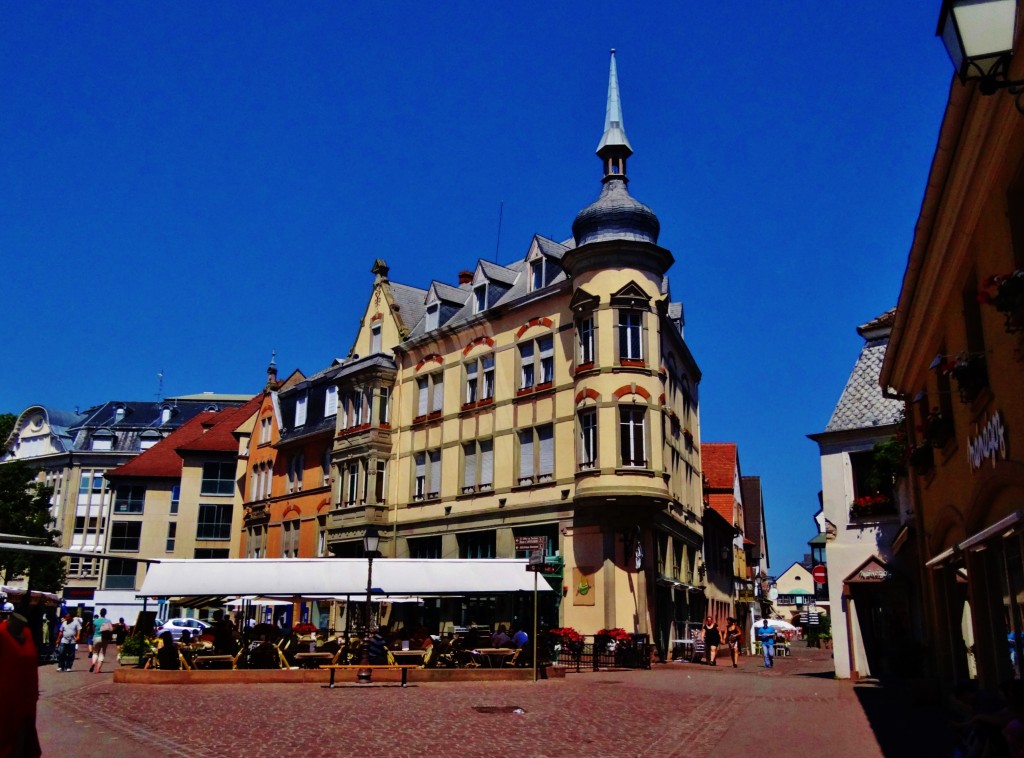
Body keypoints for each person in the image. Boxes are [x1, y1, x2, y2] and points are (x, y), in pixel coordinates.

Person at [0, 613, 41, 756]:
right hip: (5, 699)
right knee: (6, 739)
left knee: (24, 741)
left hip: (27, 698)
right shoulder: (1, 633)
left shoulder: (27, 633)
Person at [90, 607, 113, 673]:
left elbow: (93, 630)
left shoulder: (95, 621)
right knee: (102, 653)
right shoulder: (108, 621)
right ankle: (98, 669)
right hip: (104, 638)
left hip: (96, 637)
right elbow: (111, 630)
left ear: (100, 613)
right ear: (105, 613)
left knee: (95, 652)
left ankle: (93, 663)